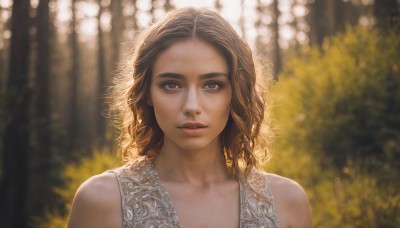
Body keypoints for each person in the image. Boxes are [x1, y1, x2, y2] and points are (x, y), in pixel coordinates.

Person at [67, 7, 312, 228]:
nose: (192, 106)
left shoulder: (286, 202)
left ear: (236, 93)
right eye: (172, 85)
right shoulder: (101, 201)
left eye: (213, 85)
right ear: (147, 93)